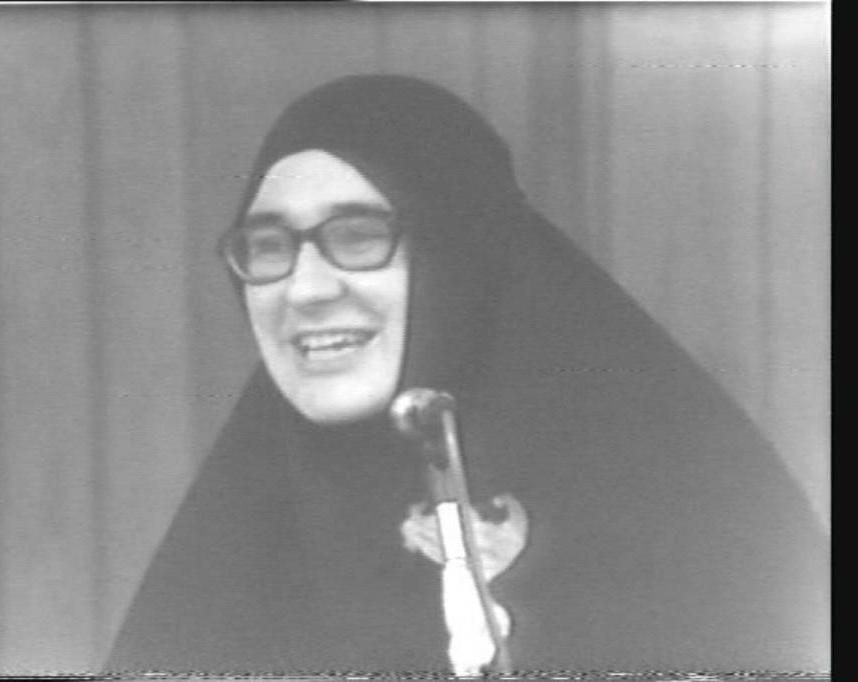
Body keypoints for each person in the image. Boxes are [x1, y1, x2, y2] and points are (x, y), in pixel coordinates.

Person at [105, 74, 828, 675]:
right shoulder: (232, 552)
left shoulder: (690, 529)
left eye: (358, 236)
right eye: (267, 247)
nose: (304, 289)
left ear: (461, 260)